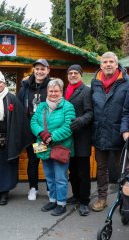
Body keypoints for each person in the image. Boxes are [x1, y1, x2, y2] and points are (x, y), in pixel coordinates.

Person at [0, 70, 33, 206]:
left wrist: (18, 139)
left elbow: (21, 119)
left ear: (4, 83)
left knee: (6, 167)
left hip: (8, 140)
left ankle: (4, 193)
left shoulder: (12, 98)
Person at [31, 79, 76, 216]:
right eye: (51, 91)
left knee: (60, 177)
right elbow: (33, 122)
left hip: (60, 147)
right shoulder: (41, 106)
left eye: (56, 91)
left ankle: (61, 203)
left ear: (61, 91)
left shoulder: (68, 106)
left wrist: (51, 136)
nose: (53, 93)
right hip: (42, 145)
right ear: (47, 92)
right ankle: (52, 200)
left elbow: (69, 126)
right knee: (49, 176)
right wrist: (41, 133)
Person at [91, 51, 129, 212]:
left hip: (120, 133)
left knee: (125, 169)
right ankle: (102, 198)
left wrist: (126, 129)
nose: (108, 64)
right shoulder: (94, 84)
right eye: (105, 62)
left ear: (116, 64)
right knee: (101, 168)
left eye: (111, 62)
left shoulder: (126, 83)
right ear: (100, 65)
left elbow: (128, 111)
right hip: (100, 133)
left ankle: (124, 201)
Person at [17, 59, 50, 200]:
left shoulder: (51, 85)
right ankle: (33, 188)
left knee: (47, 160)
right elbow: (18, 105)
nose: (39, 71)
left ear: (48, 70)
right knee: (33, 161)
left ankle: (50, 189)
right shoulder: (25, 86)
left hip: (45, 130)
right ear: (33, 70)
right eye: (37, 68)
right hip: (30, 130)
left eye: (43, 69)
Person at [64, 65, 93, 216]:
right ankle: (75, 195)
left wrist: (80, 120)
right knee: (72, 170)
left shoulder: (86, 91)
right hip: (68, 138)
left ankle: (84, 201)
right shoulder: (65, 91)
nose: (73, 75)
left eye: (76, 73)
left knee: (83, 172)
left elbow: (90, 113)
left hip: (81, 137)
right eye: (70, 73)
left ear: (81, 75)